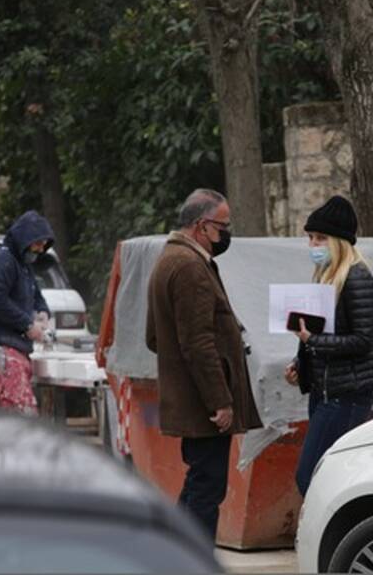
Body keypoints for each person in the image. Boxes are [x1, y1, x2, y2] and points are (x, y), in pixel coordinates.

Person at [145, 189, 262, 539]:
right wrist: (219, 400)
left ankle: (176, 555)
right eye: (222, 227)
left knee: (200, 482)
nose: (226, 234)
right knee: (207, 489)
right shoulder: (189, 267)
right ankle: (193, 559)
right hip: (203, 406)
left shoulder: (171, 259)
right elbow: (198, 343)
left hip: (193, 399)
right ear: (202, 226)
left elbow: (154, 337)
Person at [284, 195, 373, 496]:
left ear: (339, 242)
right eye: (310, 237)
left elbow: (363, 340)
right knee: (326, 478)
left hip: (346, 396)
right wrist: (300, 364)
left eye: (320, 238)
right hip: (325, 393)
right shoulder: (326, 279)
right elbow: (323, 336)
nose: (313, 244)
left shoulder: (357, 279)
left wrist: (312, 341)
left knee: (311, 477)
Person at [0, 210, 55, 415]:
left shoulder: (23, 265)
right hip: (2, 352)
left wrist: (42, 312)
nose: (40, 250)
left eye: (44, 246)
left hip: (14, 352)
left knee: (10, 422)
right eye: (37, 244)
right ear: (25, 239)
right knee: (22, 420)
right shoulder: (3, 261)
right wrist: (27, 325)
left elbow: (35, 294)